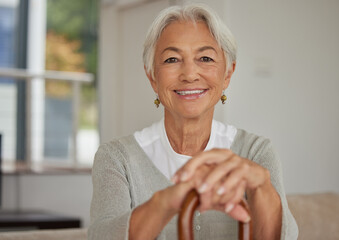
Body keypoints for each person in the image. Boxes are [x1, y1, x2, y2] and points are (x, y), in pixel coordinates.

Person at [88, 3, 298, 240]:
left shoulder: (256, 152)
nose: (189, 74)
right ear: (152, 77)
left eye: (205, 58)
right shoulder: (116, 158)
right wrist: (168, 199)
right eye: (172, 60)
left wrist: (261, 188)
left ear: (227, 74)